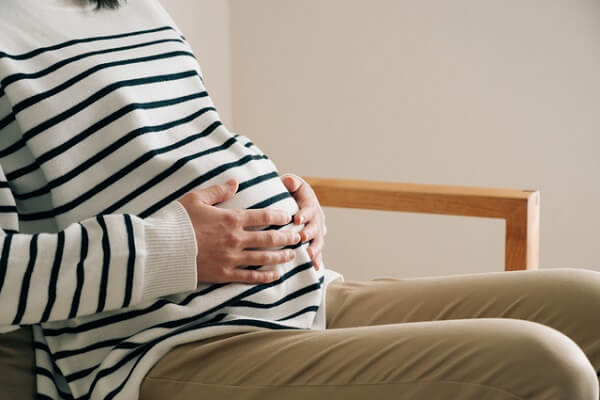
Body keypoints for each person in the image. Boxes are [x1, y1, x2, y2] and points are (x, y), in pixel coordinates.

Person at [0, 1, 598, 399]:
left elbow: (174, 150)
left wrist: (283, 198)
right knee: (544, 366)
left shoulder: (130, 7)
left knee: (591, 303)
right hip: (171, 344)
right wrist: (178, 247)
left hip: (299, 292)